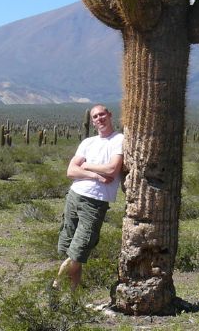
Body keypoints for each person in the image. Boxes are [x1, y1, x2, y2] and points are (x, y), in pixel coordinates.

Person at [55, 104, 124, 290]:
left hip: (95, 201)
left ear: (110, 115)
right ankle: (73, 296)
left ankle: (55, 286)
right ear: (91, 121)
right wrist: (94, 175)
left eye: (102, 114)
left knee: (79, 251)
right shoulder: (88, 142)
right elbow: (71, 170)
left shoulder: (119, 139)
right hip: (74, 196)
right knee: (68, 248)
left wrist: (86, 166)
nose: (99, 118)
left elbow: (111, 169)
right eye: (95, 116)